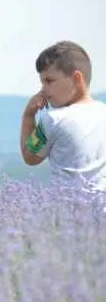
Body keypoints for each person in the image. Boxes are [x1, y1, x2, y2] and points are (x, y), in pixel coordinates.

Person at [21, 40, 106, 194]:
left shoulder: (53, 119)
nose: (43, 89)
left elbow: (29, 156)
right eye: (42, 82)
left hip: (66, 211)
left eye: (49, 81)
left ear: (76, 79)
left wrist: (28, 115)